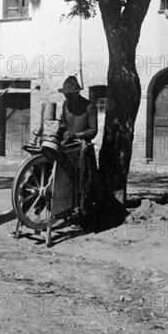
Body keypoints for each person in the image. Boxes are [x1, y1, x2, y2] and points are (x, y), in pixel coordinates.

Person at [56, 76, 98, 226]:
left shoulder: (89, 106)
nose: (67, 96)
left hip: (82, 149)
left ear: (77, 93)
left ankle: (84, 217)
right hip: (68, 149)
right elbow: (63, 124)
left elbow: (93, 130)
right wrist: (60, 132)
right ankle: (66, 212)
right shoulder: (65, 105)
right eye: (65, 94)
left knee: (83, 184)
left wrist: (77, 135)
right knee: (66, 181)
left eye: (69, 94)